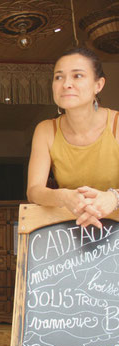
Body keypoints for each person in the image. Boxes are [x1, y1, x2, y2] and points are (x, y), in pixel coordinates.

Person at [27, 47, 119, 229]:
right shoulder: (46, 130)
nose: (66, 84)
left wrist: (113, 198)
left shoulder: (116, 125)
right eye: (58, 77)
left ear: (98, 85)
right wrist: (64, 197)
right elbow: (34, 191)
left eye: (77, 76)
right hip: (72, 236)